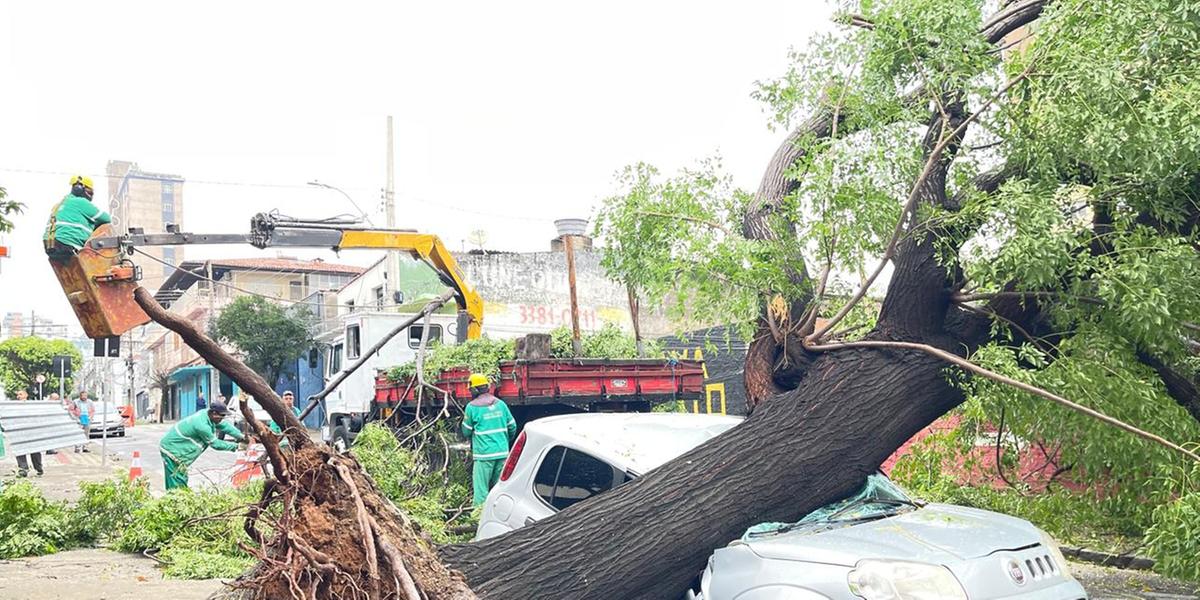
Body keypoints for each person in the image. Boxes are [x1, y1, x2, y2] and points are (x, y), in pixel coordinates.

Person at [159, 401, 247, 491]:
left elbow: (225, 426)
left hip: (179, 451)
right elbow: (215, 444)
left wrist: (241, 436)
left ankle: (177, 499)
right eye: (221, 416)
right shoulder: (202, 425)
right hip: (172, 450)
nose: (222, 418)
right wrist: (238, 446)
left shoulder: (208, 415)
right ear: (214, 413)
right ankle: (175, 501)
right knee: (176, 481)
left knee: (180, 478)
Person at [461, 374, 517, 506]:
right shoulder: (501, 404)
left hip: (484, 456)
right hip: (502, 453)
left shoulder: (472, 407)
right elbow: (512, 426)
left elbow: (466, 431)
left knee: (481, 492)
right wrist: (504, 441)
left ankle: (478, 520)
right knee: (500, 491)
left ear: (474, 390)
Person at [43, 175, 112, 260]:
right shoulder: (81, 202)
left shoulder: (58, 205)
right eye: (89, 191)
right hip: (67, 244)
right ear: (79, 188)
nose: (91, 195)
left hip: (50, 246)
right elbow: (107, 219)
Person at [13, 391, 44, 477]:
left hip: (31, 431)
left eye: (20, 394)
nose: (18, 396)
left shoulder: (31, 405)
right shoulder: (12, 407)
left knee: (34, 450)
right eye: (17, 395)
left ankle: (38, 468)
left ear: (26, 395)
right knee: (20, 450)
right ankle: (23, 469)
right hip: (18, 432)